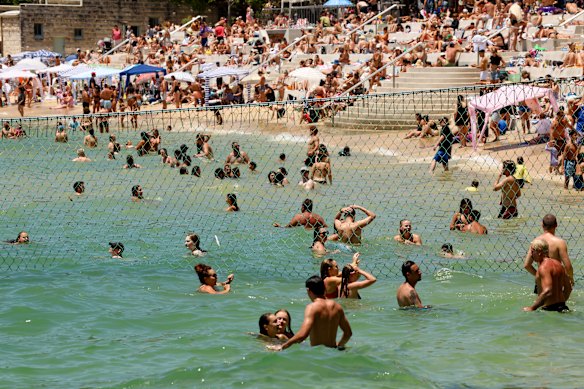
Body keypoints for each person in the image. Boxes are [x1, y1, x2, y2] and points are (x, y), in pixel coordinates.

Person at [270, 276, 352, 350]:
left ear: (308, 290)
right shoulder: (337, 307)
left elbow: (302, 335)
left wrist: (283, 346)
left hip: (319, 354)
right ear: (324, 289)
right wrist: (339, 345)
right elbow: (348, 333)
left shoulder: (312, 307)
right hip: (333, 351)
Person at [524, 214, 574, 287]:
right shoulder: (560, 243)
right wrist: (570, 279)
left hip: (541, 282)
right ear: (556, 225)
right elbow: (568, 266)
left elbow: (527, 265)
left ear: (542, 225)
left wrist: (539, 275)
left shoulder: (536, 241)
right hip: (556, 281)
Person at [523, 239, 571, 313]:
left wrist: (532, 308)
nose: (531, 254)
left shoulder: (543, 267)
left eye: (532, 251)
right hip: (563, 307)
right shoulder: (558, 264)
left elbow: (548, 291)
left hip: (550, 310)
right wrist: (561, 302)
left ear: (539, 251)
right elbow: (568, 288)